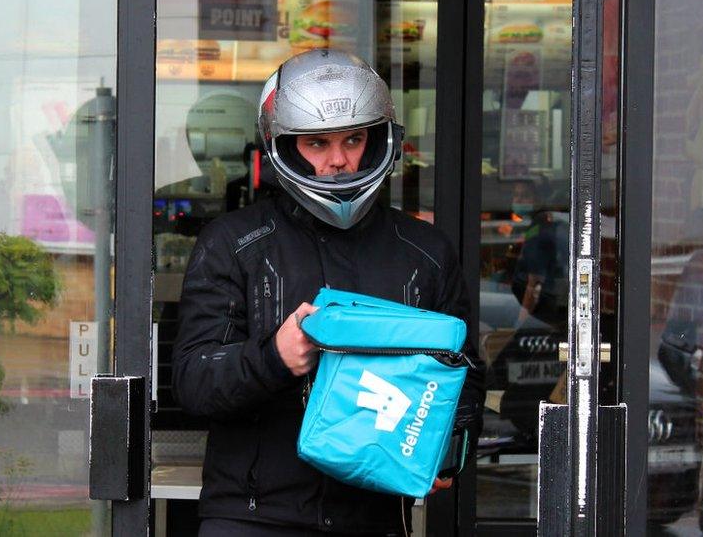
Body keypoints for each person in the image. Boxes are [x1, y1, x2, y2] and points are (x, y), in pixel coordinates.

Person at [172, 49, 484, 536]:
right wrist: (275, 356)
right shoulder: (233, 243)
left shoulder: (424, 252)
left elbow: (464, 373)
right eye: (317, 143)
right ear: (284, 147)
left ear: (380, 140)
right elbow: (191, 380)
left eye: (354, 139)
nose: (338, 161)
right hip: (251, 517)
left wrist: (448, 448)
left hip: (374, 515)